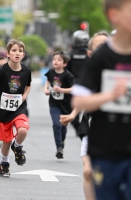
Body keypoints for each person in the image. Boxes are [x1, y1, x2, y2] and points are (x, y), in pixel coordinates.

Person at [71, 0, 131, 199]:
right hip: (105, 150)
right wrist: (110, 95)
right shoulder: (102, 57)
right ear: (114, 15)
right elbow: (78, 101)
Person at [60, 31, 109, 200]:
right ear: (90, 52)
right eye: (99, 46)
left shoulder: (120, 69)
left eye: (106, 45)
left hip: (118, 132)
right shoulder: (91, 74)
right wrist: (72, 115)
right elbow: (80, 98)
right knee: (89, 172)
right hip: (92, 128)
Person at [0, 39, 32, 177]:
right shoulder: (1, 71)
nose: (17, 53)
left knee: (23, 130)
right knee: (6, 141)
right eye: (14, 50)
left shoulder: (26, 71)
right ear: (8, 54)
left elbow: (28, 86)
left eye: (20, 51)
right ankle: (4, 162)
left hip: (19, 108)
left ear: (23, 55)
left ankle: (17, 146)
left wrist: (23, 97)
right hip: (3, 110)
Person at [44, 51, 76, 159]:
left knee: (63, 126)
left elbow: (73, 89)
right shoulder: (51, 72)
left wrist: (61, 90)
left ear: (65, 63)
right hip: (54, 103)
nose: (55, 61)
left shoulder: (68, 75)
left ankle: (62, 141)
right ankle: (59, 148)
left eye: (59, 60)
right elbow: (48, 81)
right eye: (54, 59)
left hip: (66, 105)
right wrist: (46, 89)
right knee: (56, 124)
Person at [66, 30, 90, 137]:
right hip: (88, 85)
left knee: (72, 110)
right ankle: (84, 127)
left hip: (74, 86)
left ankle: (78, 128)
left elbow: (66, 71)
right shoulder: (90, 54)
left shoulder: (70, 55)